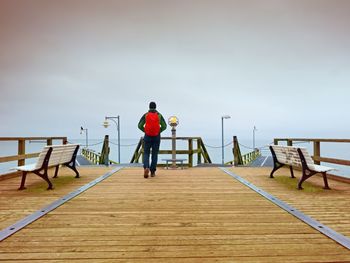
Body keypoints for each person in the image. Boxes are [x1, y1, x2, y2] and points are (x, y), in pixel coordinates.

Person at [138, 102, 167, 178]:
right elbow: (164, 126)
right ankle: (153, 172)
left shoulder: (146, 115)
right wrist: (158, 131)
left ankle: (146, 167)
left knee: (146, 153)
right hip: (156, 137)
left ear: (149, 107)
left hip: (147, 136)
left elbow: (139, 125)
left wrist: (145, 131)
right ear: (155, 107)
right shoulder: (159, 115)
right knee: (154, 154)